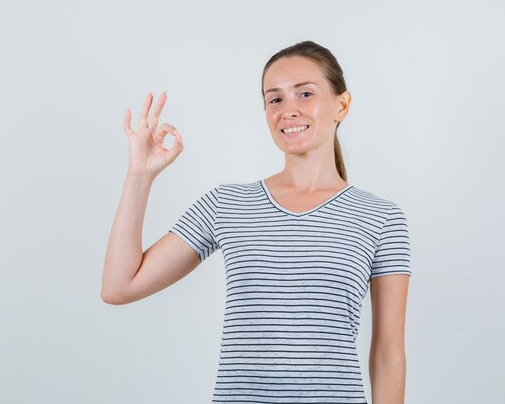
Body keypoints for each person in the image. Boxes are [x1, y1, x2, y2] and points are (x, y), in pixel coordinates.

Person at [101, 40, 411, 404]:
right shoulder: (227, 204)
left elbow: (388, 355)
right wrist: (140, 175)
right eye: (275, 99)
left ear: (341, 104)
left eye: (305, 94)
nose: (288, 110)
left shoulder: (381, 218)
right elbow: (119, 287)